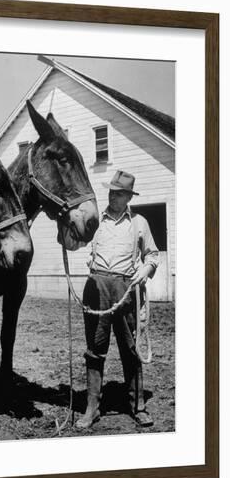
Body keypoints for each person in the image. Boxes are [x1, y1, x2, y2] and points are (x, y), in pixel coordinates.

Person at [76, 170, 159, 429]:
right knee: (95, 349)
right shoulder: (96, 221)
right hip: (97, 286)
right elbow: (73, 239)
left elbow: (153, 256)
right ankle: (92, 408)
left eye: (118, 193)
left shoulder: (139, 223)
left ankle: (138, 407)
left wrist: (144, 273)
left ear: (128, 197)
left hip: (126, 288)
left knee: (130, 348)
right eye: (111, 191)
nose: (112, 196)